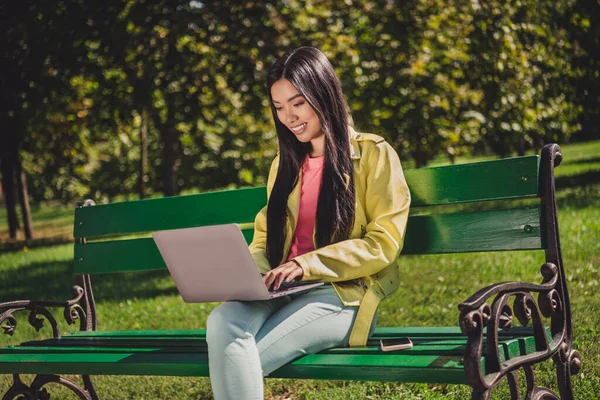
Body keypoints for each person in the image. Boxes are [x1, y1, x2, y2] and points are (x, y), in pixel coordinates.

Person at [206, 46, 411, 400]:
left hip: (340, 295)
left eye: (297, 102)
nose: (288, 116)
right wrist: (253, 275)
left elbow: (383, 243)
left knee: (240, 355)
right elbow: (264, 238)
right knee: (221, 322)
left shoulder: (374, 153)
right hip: (280, 290)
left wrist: (304, 265)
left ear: (323, 93)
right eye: (279, 107)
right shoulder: (283, 165)